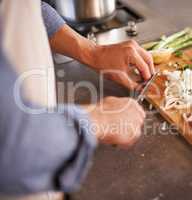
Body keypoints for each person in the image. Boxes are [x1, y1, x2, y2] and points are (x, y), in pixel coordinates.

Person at [0, 1, 154, 197]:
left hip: (47, 167)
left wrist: (94, 53)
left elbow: (26, 8)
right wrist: (98, 119)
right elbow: (10, 147)